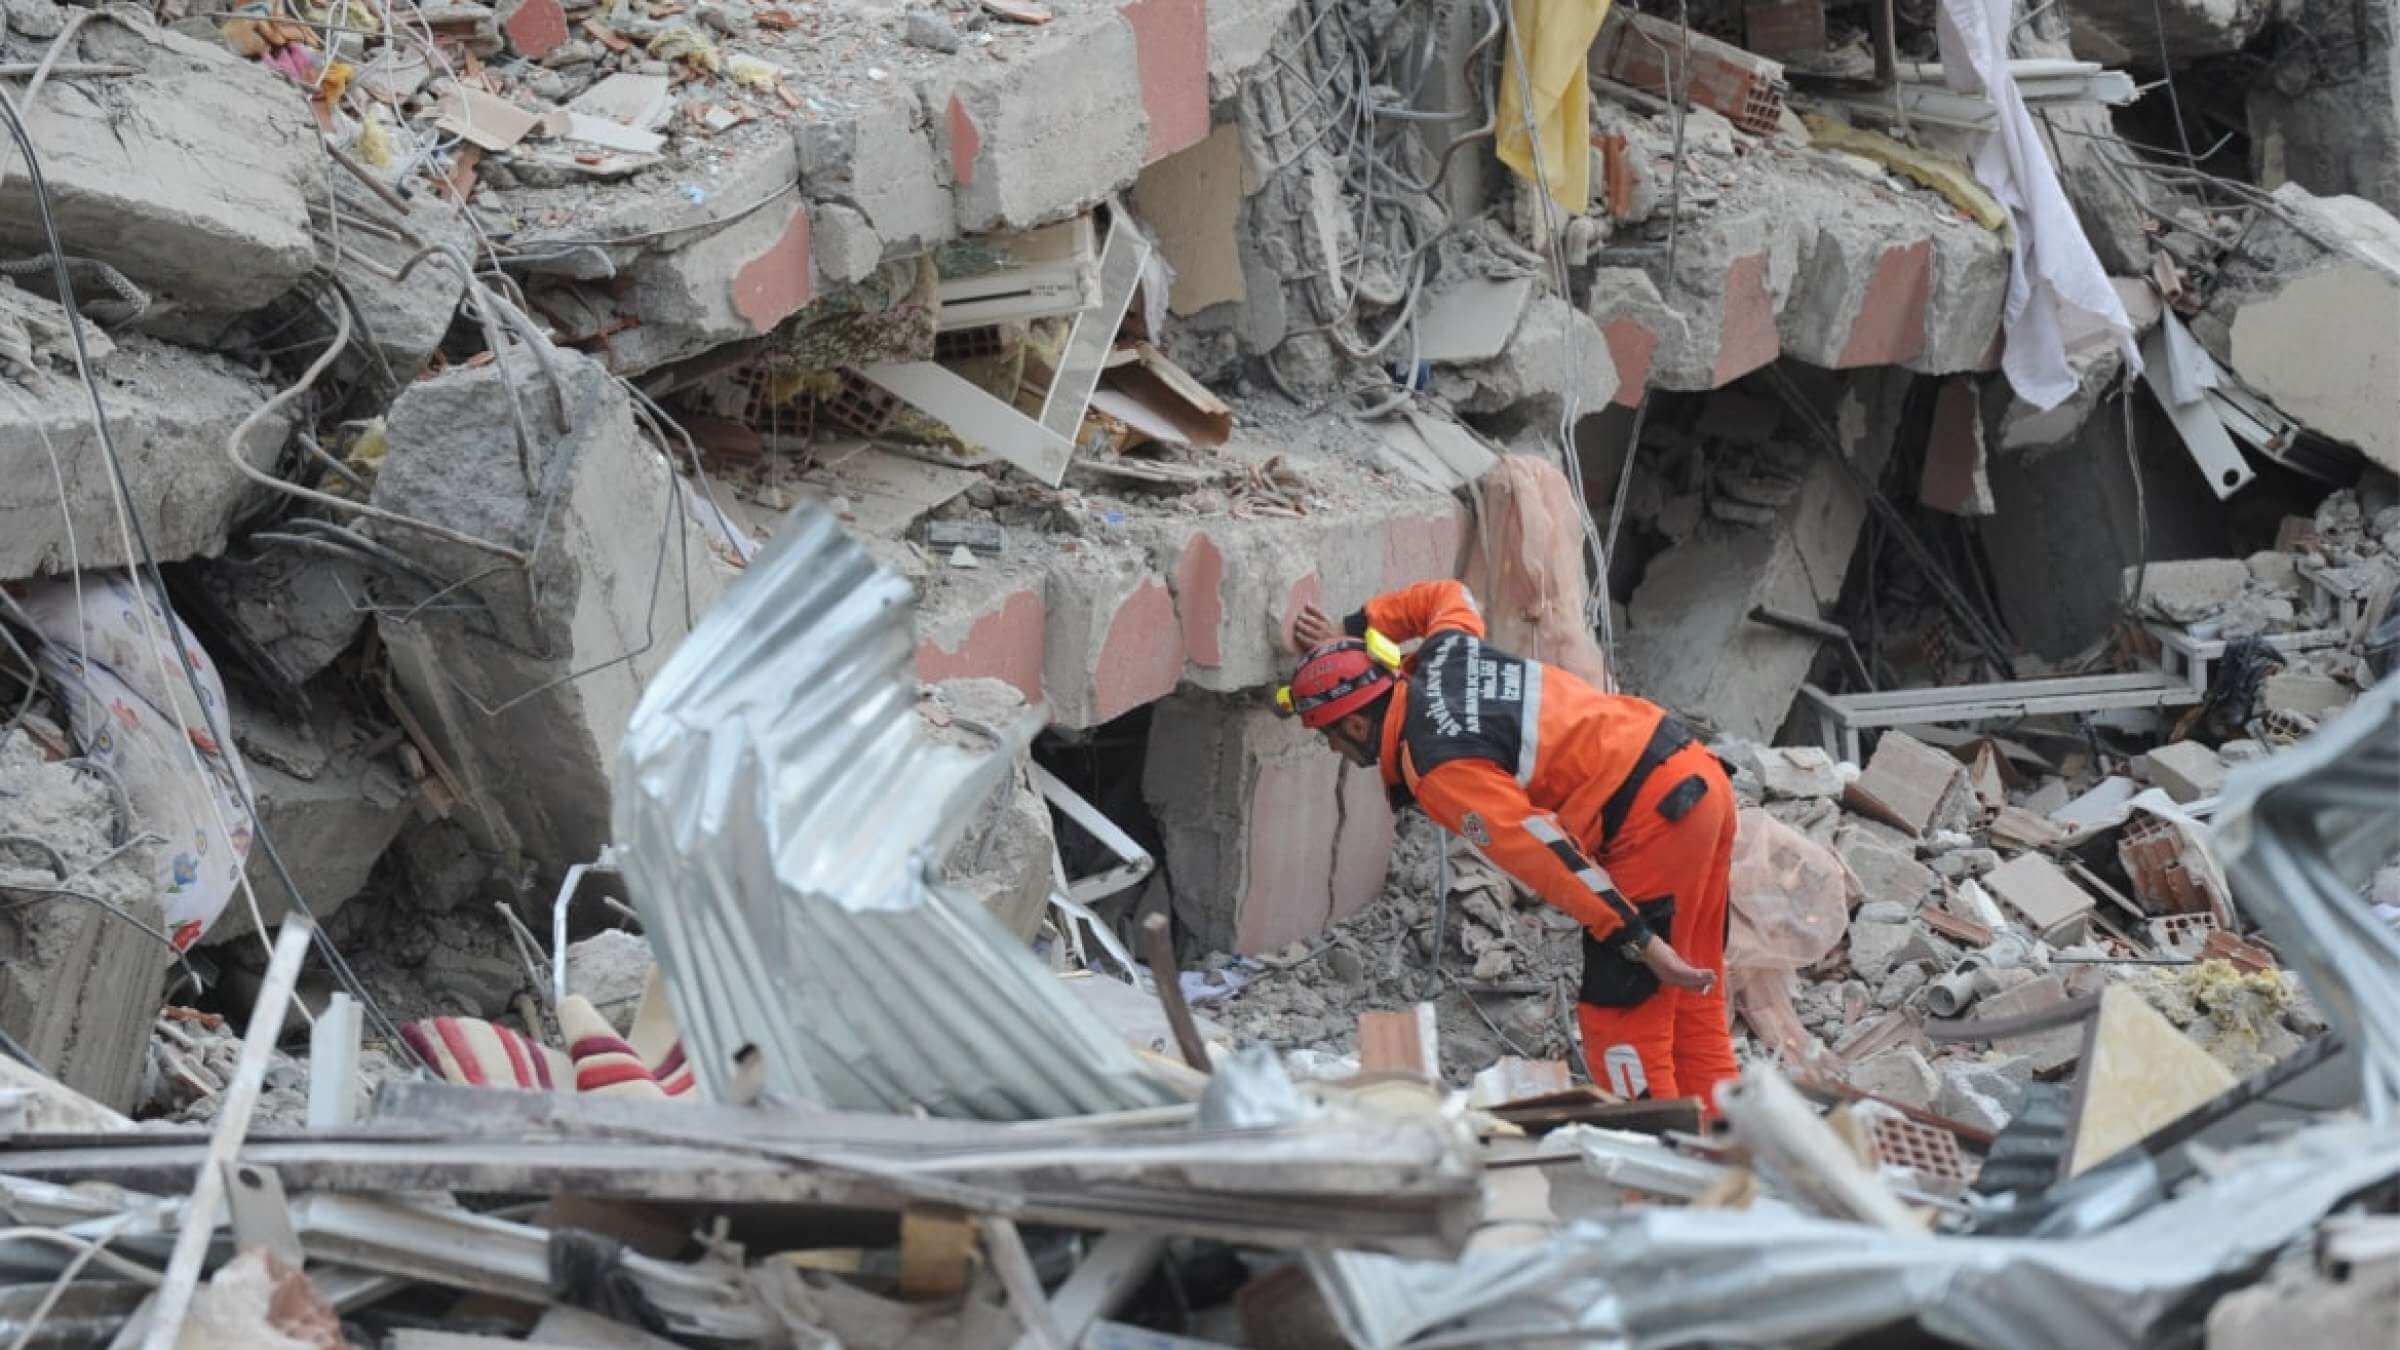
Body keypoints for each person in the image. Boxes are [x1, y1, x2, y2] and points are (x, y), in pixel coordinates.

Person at [1284, 579, 1739, 1112]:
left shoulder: (1439, 768)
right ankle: (1727, 1146)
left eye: (1330, 736)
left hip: (1650, 822)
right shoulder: (1445, 655)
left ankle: (1652, 1159)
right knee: (1692, 1006)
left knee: (1621, 1020)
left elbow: (1541, 854)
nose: (1334, 750)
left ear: (1358, 723)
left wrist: (1637, 939)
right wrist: (1355, 629)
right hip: (1695, 775)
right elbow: (1449, 596)